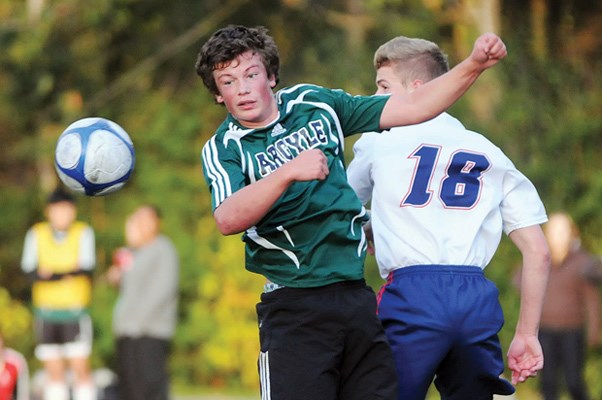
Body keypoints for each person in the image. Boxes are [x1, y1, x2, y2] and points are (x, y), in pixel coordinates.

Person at [195, 25, 507, 400]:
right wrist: (288, 172)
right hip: (295, 306)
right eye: (228, 82)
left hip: (355, 298)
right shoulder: (224, 147)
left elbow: (413, 106)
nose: (242, 88)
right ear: (217, 95)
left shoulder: (315, 104)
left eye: (251, 74)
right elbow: (228, 217)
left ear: (271, 76)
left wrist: (474, 64)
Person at [346, 36, 551, 400]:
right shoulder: (489, 150)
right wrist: (527, 334)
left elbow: (343, 208)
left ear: (417, 89)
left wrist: (369, 229)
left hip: (412, 293)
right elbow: (538, 250)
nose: (374, 97)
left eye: (382, 86)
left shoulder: (381, 139)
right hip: (476, 299)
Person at [20, 187, 96, 400]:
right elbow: (31, 272)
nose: (62, 214)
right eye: (57, 209)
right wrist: (66, 273)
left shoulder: (83, 232)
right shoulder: (36, 234)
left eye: (66, 209)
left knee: (80, 367)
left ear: (73, 211)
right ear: (48, 211)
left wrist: (50, 273)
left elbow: (85, 269)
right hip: (47, 313)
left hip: (74, 312)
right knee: (53, 371)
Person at [106, 205, 179, 400]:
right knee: (129, 389)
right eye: (136, 219)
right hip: (127, 331)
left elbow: (162, 291)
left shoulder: (163, 248)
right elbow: (120, 282)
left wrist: (139, 322)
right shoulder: (131, 253)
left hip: (150, 331)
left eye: (145, 219)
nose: (140, 224)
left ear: (156, 223)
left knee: (149, 388)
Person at [534, 212, 601, 400]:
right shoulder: (539, 260)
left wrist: (594, 331)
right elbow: (523, 284)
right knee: (547, 383)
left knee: (574, 381)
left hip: (572, 331)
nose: (558, 237)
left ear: (572, 234)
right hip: (544, 331)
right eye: (555, 231)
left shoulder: (583, 262)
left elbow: (592, 301)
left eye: (562, 231)